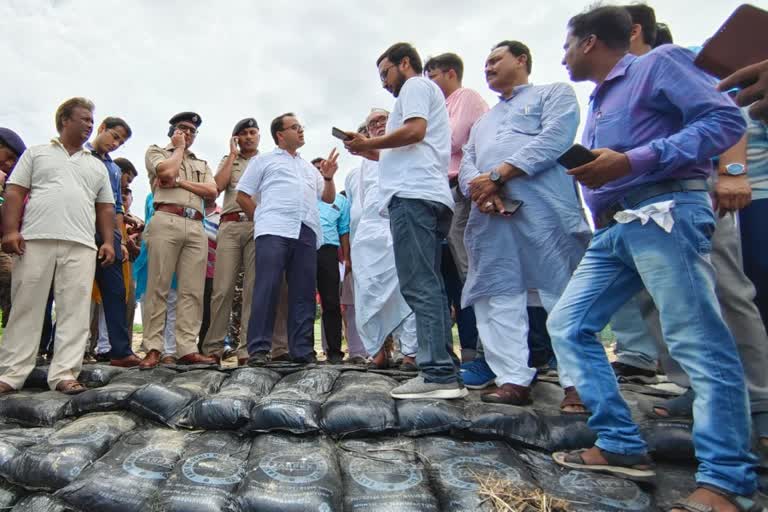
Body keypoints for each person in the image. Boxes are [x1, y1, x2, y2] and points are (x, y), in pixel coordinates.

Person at [548, 6, 760, 510]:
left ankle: (727, 481)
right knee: (570, 325)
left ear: (590, 42)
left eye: (566, 45)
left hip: (664, 211)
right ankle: (620, 444)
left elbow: (724, 117)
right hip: (619, 228)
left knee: (698, 342)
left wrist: (633, 160)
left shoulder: (658, 63)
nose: (563, 56)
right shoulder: (599, 100)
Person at [458, 40, 590, 407]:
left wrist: (499, 174)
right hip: (492, 215)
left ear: (522, 60)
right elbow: (468, 162)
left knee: (562, 293)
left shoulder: (554, 95)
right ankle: (513, 377)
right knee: (498, 295)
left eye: (495, 59)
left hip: (544, 210)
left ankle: (579, 382)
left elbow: (556, 139)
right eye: (484, 63)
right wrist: (481, 190)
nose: (488, 67)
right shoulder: (483, 121)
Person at [344, 42, 464, 399]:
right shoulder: (420, 93)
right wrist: (368, 148)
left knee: (418, 284)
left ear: (406, 63)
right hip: (423, 193)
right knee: (428, 283)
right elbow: (406, 149)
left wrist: (372, 141)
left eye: (386, 73)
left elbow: (414, 132)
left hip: (413, 197)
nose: (384, 82)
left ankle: (437, 373)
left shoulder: (414, 87)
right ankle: (441, 367)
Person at [0, 97, 115, 395]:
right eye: (85, 119)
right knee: (26, 306)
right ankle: (12, 374)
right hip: (34, 240)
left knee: (74, 310)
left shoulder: (96, 166)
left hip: (80, 245)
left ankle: (64, 373)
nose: (90, 125)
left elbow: (105, 208)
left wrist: (108, 242)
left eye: (92, 120)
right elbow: (14, 192)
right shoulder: (37, 154)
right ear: (65, 120)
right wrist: (10, 230)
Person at [236, 113, 339, 365]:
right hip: (273, 229)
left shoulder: (308, 168)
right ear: (280, 135)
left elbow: (327, 198)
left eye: (301, 127)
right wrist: (262, 221)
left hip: (306, 231)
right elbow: (242, 195)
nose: (301, 131)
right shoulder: (263, 161)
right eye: (295, 127)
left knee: (304, 292)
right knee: (267, 288)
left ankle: (302, 351)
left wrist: (328, 177)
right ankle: (258, 350)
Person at [201, 118, 290, 366]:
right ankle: (214, 348)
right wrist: (231, 155)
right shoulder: (230, 160)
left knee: (253, 289)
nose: (249, 137)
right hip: (229, 225)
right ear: (236, 138)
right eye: (243, 134)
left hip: (258, 225)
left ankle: (246, 350)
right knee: (222, 289)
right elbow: (216, 187)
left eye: (253, 132)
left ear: (260, 135)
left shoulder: (269, 160)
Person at [140, 112, 218, 368]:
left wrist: (180, 182)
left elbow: (212, 191)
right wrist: (179, 148)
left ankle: (186, 348)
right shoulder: (157, 152)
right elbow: (165, 172)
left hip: (196, 224)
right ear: (172, 131)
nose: (188, 133)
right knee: (158, 286)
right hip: (166, 218)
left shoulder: (202, 164)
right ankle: (153, 347)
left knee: (192, 291)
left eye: (192, 131)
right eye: (182, 129)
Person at [424, 52, 488, 363]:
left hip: (461, 189)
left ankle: (484, 349)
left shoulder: (466, 97)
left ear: (450, 73)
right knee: (448, 279)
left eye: (433, 76)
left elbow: (455, 138)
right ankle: (468, 351)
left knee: (468, 271)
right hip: (441, 195)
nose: (430, 84)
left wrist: (420, 135)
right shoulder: (442, 107)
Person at [345, 109, 418, 370]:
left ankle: (410, 353)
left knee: (405, 290)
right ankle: (377, 352)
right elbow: (357, 209)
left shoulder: (406, 148)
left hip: (398, 224)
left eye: (382, 120)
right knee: (367, 292)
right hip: (367, 233)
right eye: (372, 123)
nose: (377, 125)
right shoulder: (358, 169)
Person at [86, 117, 140, 367]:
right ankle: (60, 349)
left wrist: (118, 240)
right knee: (76, 293)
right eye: (114, 136)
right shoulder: (80, 157)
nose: (116, 143)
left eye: (121, 141)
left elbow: (117, 207)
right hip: (81, 230)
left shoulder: (114, 170)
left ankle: (120, 351)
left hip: (109, 235)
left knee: (116, 292)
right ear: (101, 129)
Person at [311, 156, 351, 364]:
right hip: (305, 249)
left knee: (331, 302)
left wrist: (347, 258)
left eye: (323, 168)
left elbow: (344, 230)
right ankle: (305, 350)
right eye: (316, 168)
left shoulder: (340, 200)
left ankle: (334, 352)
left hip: (329, 251)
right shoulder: (304, 194)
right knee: (304, 301)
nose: (320, 171)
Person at [0, 128, 26, 328]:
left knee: (11, 281)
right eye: (7, 156)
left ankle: (11, 337)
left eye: (13, 161)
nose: (9, 164)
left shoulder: (10, 185)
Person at [199, 197, 220, 344]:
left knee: (208, 310)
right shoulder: (192, 211)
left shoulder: (222, 214)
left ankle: (204, 345)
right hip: (191, 271)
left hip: (212, 271)